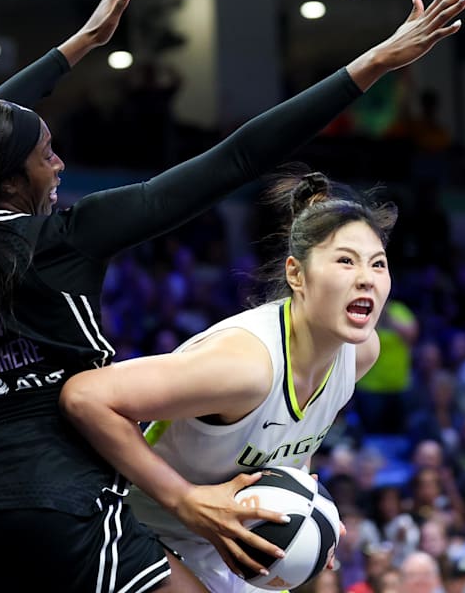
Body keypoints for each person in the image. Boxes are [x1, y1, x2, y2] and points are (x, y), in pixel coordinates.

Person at [0, 0, 465, 590]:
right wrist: (370, 65)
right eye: (45, 154)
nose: (58, 166)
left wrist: (75, 48)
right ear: (7, 180)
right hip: (62, 504)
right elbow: (236, 158)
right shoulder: (69, 236)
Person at [61, 172, 397, 591]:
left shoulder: (360, 353)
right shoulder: (246, 366)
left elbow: (286, 443)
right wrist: (185, 499)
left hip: (213, 543)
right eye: (346, 261)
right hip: (127, 526)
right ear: (297, 275)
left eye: (378, 263)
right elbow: (84, 396)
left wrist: (309, 519)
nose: (367, 277)